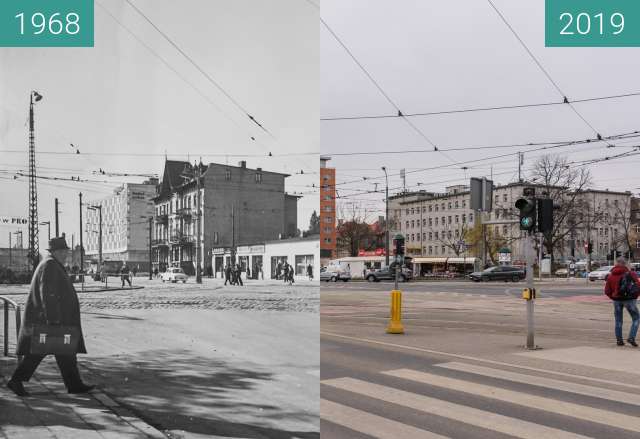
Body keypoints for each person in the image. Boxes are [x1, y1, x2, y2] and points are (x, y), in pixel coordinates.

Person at [7, 237, 94, 397]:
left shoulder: (51, 264)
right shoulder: (50, 265)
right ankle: (15, 381)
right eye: (64, 252)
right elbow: (48, 294)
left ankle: (74, 384)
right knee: (38, 353)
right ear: (56, 252)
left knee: (66, 352)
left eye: (66, 251)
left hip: (53, 319)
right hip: (50, 320)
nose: (66, 254)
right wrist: (53, 319)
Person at [604, 257, 640, 347]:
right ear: (625, 264)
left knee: (618, 320)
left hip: (616, 300)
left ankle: (619, 340)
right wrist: (636, 296)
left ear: (616, 264)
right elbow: (637, 286)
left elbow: (607, 291)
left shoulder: (611, 275)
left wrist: (613, 297)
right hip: (630, 300)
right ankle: (631, 337)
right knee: (636, 318)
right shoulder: (631, 273)